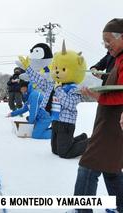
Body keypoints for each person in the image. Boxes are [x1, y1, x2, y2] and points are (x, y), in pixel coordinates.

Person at [74, 18, 123, 213]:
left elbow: (120, 93)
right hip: (108, 121)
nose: (106, 45)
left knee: (89, 164)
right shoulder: (118, 58)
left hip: (114, 123)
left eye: (108, 40)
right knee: (111, 167)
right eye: (103, 41)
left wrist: (97, 95)